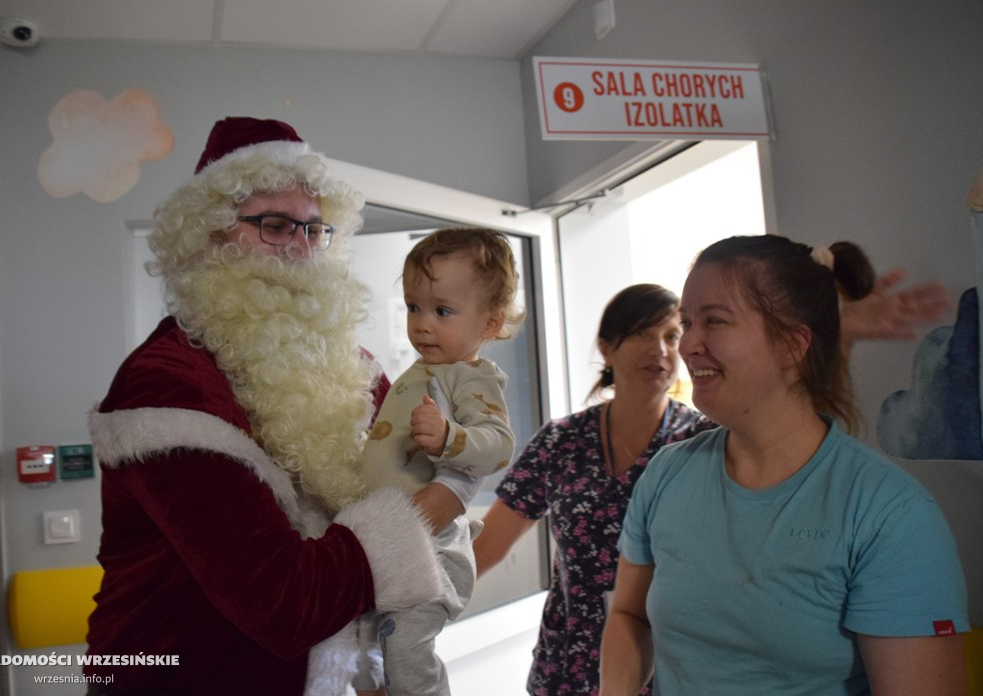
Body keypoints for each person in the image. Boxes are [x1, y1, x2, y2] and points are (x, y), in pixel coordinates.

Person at [473, 256, 953, 696]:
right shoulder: (562, 443)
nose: (665, 349)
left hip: (670, 668)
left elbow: (789, 425)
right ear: (607, 346)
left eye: (670, 333)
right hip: (570, 667)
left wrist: (837, 331)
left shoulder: (698, 438)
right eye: (645, 333)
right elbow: (488, 546)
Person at [85, 116, 444, 696]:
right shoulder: (167, 385)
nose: (301, 249)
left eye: (315, 229)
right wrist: (429, 511)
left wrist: (372, 666)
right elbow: (286, 604)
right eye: (275, 226)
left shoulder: (357, 369)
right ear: (208, 236)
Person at [600, 234, 969, 695]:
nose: (688, 344)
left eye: (714, 321)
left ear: (793, 346)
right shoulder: (666, 474)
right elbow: (629, 615)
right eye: (688, 322)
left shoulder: (889, 514)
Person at [355, 227, 523, 696]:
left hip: (432, 554)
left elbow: (500, 443)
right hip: (392, 546)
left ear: (490, 323)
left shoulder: (470, 376)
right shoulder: (425, 370)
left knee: (408, 657)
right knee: (367, 656)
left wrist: (451, 437)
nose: (422, 324)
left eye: (442, 311)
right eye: (413, 307)